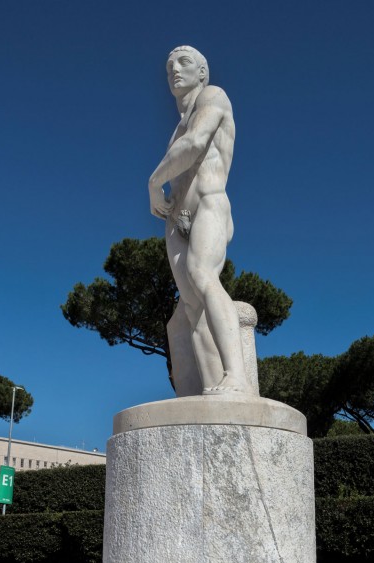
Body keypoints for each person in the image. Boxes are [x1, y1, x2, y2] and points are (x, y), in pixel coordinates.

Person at [148, 46, 252, 396]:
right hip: (179, 219)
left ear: (203, 72)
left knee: (203, 276)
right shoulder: (175, 127)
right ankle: (196, 397)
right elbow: (181, 164)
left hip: (210, 205)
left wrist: (152, 183)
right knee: (185, 315)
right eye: (169, 67)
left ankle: (235, 377)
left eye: (184, 63)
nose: (174, 70)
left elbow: (195, 145)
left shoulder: (213, 96)